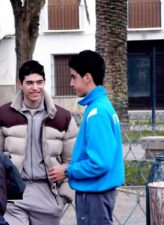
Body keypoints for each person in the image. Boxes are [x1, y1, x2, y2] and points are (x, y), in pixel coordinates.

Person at [0, 60, 78, 225]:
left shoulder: (63, 118)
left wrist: (63, 197)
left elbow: (74, 160)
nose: (35, 88)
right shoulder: (0, 116)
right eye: (30, 83)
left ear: (45, 83)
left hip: (48, 196)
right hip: (14, 196)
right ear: (20, 84)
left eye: (39, 82)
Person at [48, 50, 125, 225]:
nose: (71, 83)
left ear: (87, 77)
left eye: (74, 77)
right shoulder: (100, 107)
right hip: (97, 192)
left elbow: (100, 162)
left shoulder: (97, 113)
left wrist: (67, 171)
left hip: (95, 194)